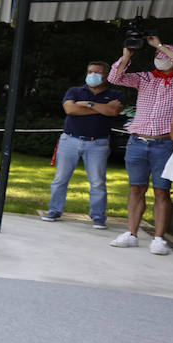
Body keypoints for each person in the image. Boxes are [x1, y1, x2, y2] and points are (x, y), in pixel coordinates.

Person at [107, 35, 173, 254]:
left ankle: (158, 238)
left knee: (161, 191)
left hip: (164, 143)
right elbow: (114, 78)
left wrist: (159, 45)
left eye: (164, 53)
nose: (159, 56)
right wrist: (127, 54)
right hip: (137, 141)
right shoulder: (145, 78)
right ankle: (131, 233)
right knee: (136, 188)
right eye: (157, 54)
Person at [43, 61, 123, 227]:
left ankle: (98, 217)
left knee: (97, 182)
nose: (92, 75)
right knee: (60, 179)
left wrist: (87, 104)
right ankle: (54, 210)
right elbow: (70, 110)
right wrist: (101, 108)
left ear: (106, 75)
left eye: (97, 72)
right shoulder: (74, 91)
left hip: (98, 143)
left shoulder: (115, 94)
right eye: (90, 71)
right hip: (70, 140)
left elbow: (113, 111)